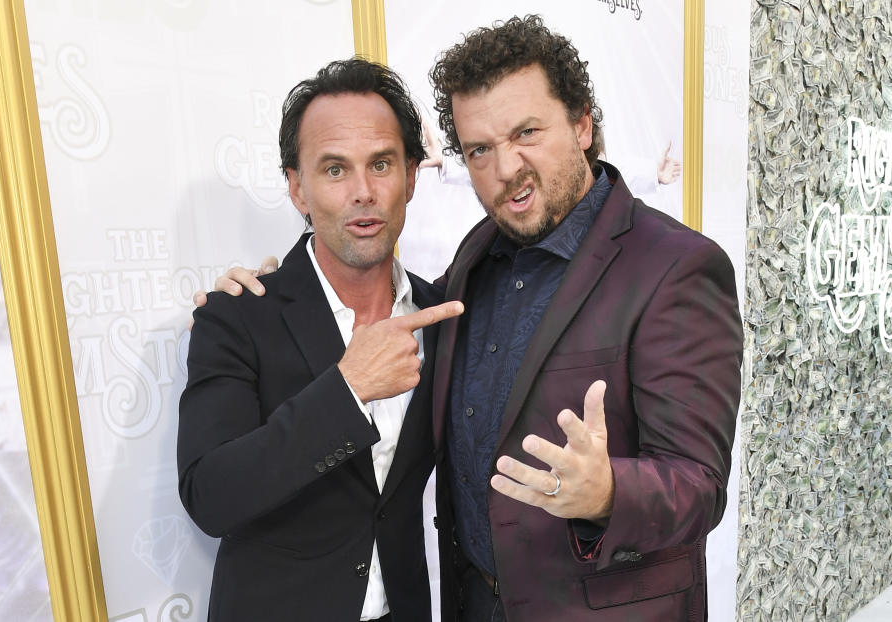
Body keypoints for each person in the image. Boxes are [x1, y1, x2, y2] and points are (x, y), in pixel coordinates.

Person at [203, 15, 743, 621]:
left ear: (583, 124)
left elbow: (699, 483)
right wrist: (255, 303)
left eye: (527, 133)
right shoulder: (472, 264)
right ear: (298, 190)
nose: (506, 168)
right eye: (480, 149)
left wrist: (608, 492)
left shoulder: (677, 266)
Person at [178, 58, 463, 622]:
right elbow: (211, 497)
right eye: (334, 170)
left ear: (411, 174)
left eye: (381, 164)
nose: (363, 191)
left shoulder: (442, 314)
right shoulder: (237, 316)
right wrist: (348, 388)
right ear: (297, 188)